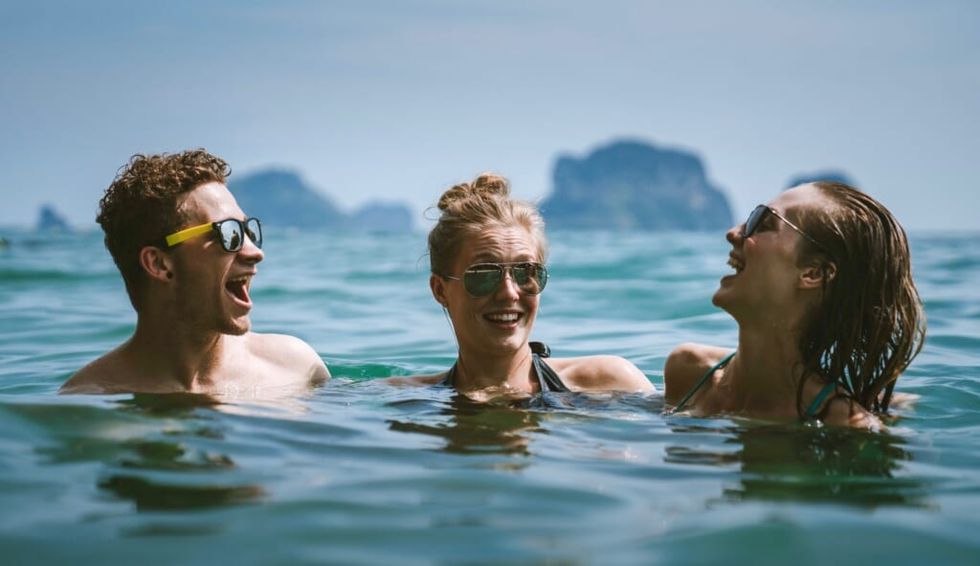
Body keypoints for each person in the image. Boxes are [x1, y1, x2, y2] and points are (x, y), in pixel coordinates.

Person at [60, 149, 329, 395]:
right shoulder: (90, 399)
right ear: (159, 264)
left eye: (249, 231)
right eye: (229, 234)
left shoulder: (296, 368)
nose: (255, 252)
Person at [664, 181, 925, 428]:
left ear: (813, 273)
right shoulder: (690, 372)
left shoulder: (844, 424)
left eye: (763, 222)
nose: (733, 233)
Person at [392, 173, 653, 398]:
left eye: (526, 272)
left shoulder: (608, 383)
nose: (508, 292)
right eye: (484, 273)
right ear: (440, 290)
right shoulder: (405, 399)